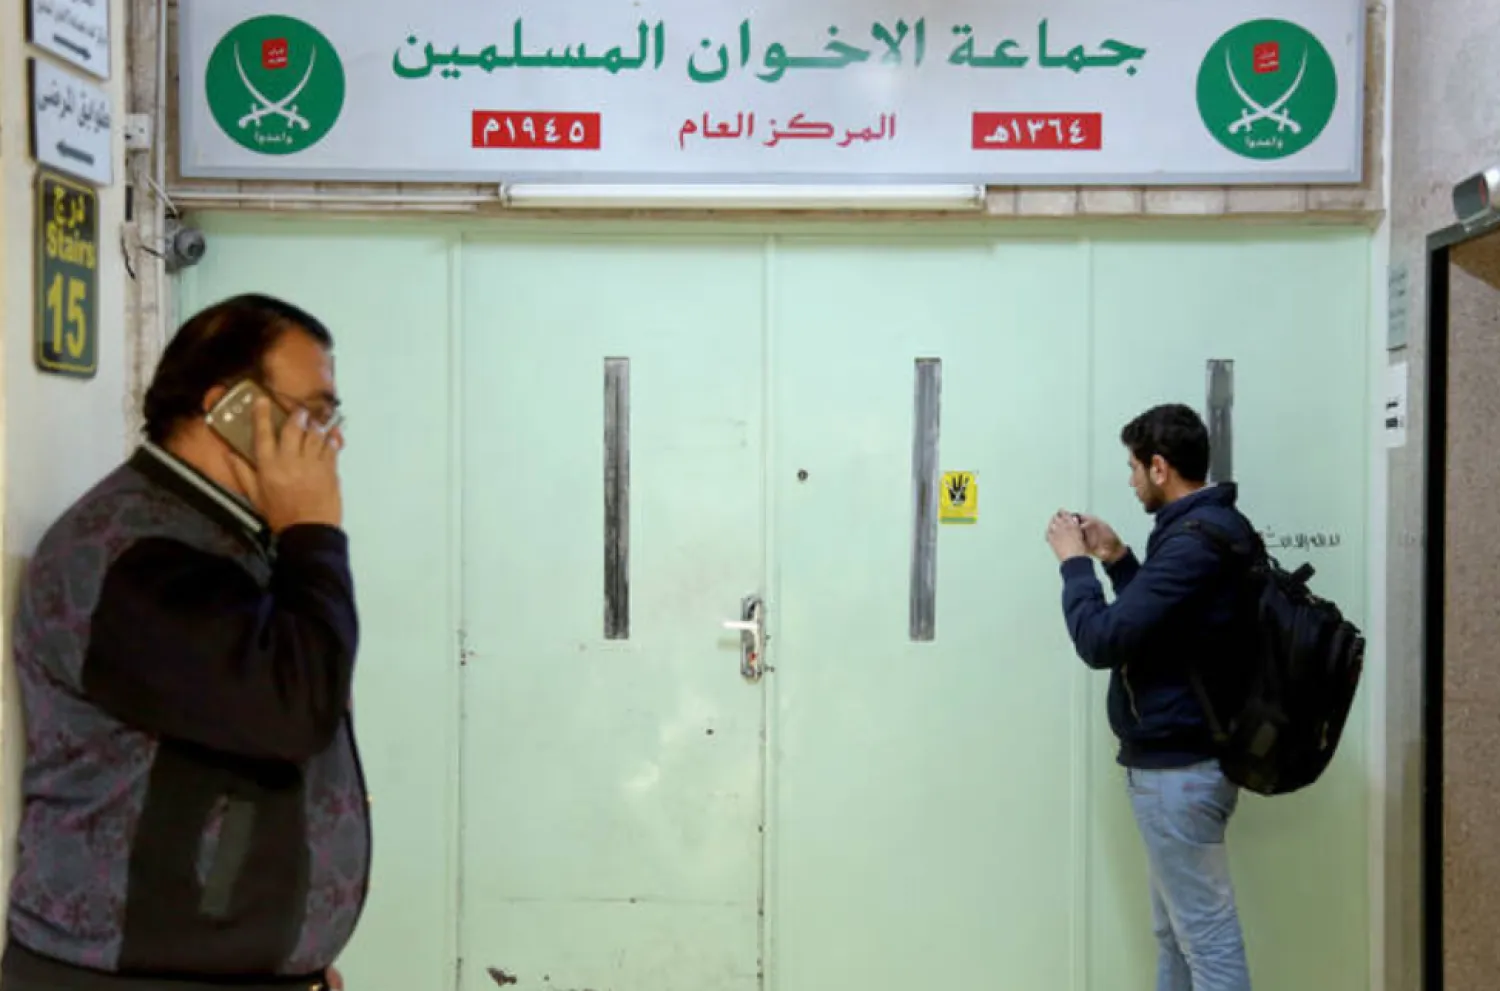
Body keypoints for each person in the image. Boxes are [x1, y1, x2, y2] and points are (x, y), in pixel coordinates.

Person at [2, 294, 368, 990]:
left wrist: (296, 957)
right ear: (230, 407)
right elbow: (293, 707)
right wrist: (314, 531)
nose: (332, 439)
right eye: (315, 412)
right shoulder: (132, 559)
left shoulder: (215, 538)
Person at [1044, 403, 1255, 991]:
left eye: (1134, 468)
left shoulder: (1194, 543)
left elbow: (1102, 640)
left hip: (1178, 772)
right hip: (1180, 765)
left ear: (1160, 468)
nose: (1130, 480)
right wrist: (1118, 559)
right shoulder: (1203, 533)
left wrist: (1074, 567)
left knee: (1207, 943)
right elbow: (1168, 631)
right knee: (1179, 938)